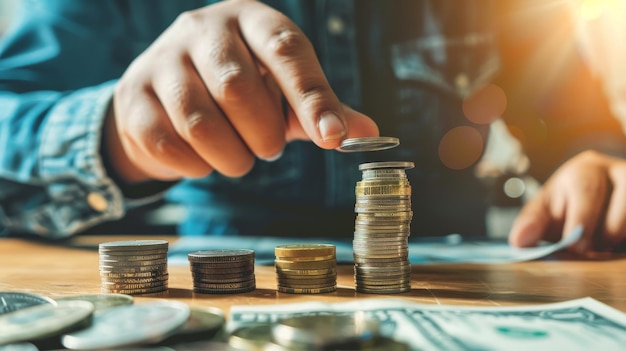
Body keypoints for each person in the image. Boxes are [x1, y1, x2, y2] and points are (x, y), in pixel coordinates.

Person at [1, 0, 625, 254]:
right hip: (225, 276)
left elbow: (580, 130)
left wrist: (599, 164)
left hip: (453, 274)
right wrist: (118, 134)